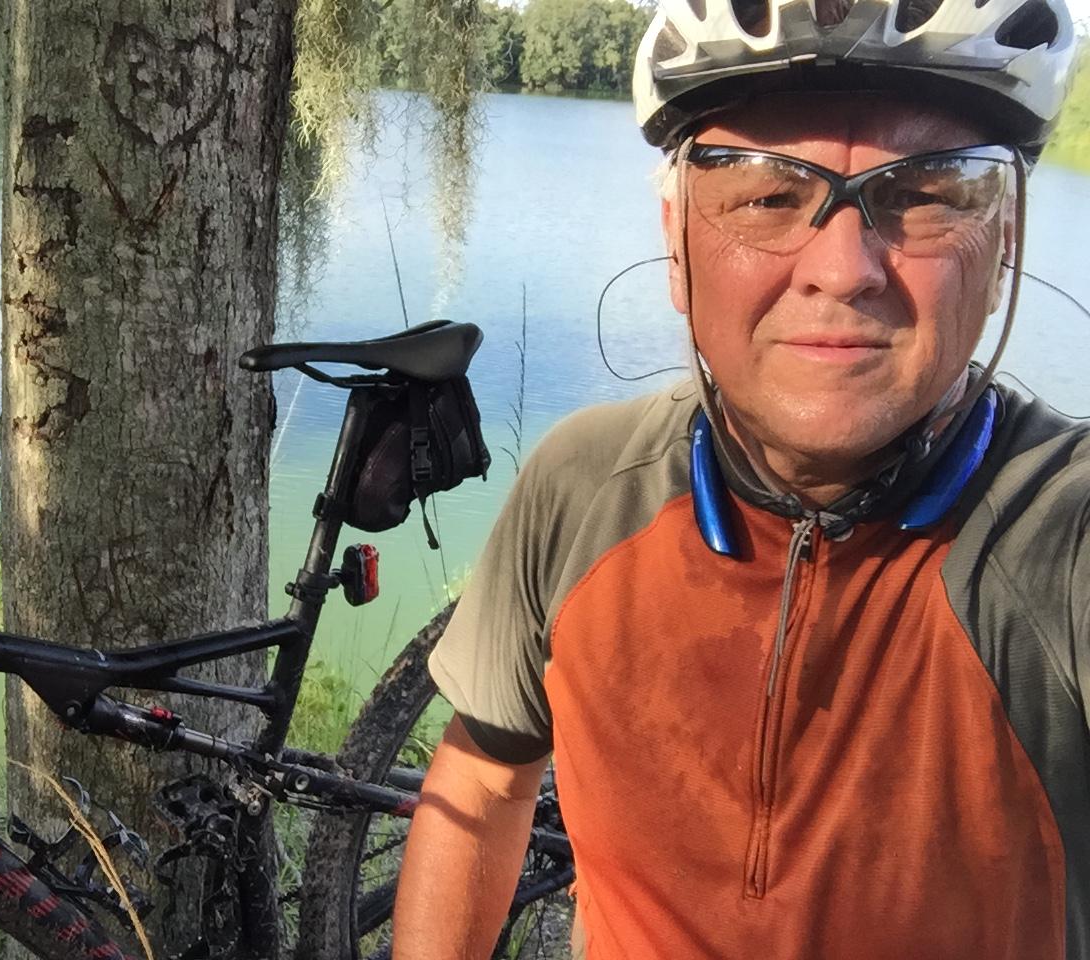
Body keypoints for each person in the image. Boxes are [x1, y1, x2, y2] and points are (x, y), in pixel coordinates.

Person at [391, 0, 1086, 957]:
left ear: (1003, 239)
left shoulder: (1064, 532)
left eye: (927, 191)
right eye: (765, 195)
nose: (843, 270)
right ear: (677, 242)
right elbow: (483, 773)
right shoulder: (587, 486)